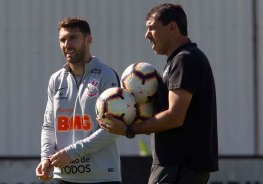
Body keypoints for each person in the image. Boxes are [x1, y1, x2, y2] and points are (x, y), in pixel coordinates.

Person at [99, 3, 218, 184]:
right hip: (178, 164)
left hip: (179, 164)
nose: (146, 35)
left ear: (171, 27)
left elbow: (175, 116)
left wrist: (129, 129)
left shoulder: (185, 59)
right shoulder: (180, 60)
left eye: (151, 28)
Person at [35, 17, 122, 184]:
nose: (67, 45)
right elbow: (49, 125)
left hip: (101, 177)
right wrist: (46, 157)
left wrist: (71, 153)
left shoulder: (107, 75)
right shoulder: (56, 79)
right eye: (62, 40)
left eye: (73, 38)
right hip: (64, 177)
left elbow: (112, 128)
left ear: (88, 39)